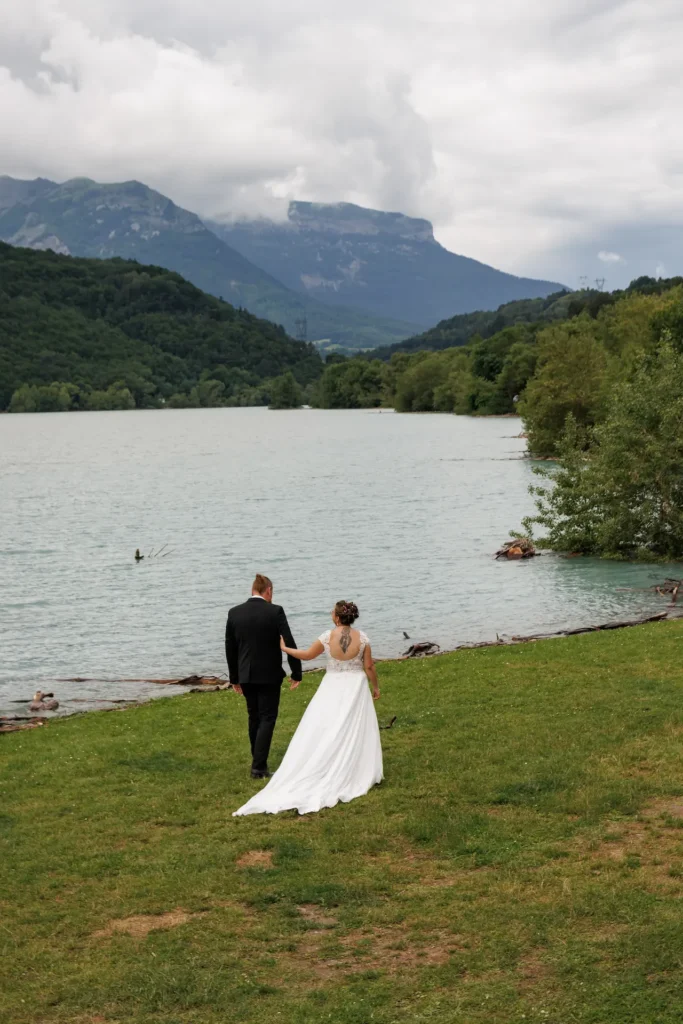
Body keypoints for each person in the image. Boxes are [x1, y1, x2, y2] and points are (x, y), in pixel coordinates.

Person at [233, 600, 382, 817]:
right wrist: (375, 687)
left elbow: (307, 655)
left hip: (332, 686)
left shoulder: (326, 637)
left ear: (338, 618)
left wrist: (285, 649)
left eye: (333, 612)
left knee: (327, 725)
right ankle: (356, 766)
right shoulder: (364, 639)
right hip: (356, 687)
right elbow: (369, 666)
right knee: (355, 726)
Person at [225, 574, 302, 779]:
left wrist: (234, 678)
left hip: (246, 674)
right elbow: (288, 641)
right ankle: (258, 767)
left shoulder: (234, 613)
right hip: (269, 674)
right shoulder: (275, 611)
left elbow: (230, 648)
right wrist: (296, 671)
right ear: (268, 590)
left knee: (254, 717)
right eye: (272, 592)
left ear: (253, 590)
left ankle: (257, 761)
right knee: (267, 717)